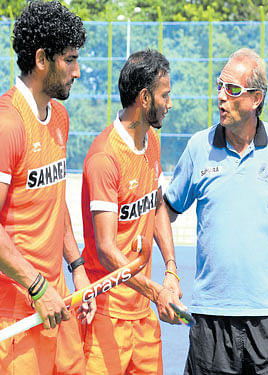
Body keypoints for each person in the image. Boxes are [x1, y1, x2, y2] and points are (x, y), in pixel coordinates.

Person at [164, 48, 268, 374]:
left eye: (232, 89)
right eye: (220, 86)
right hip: (209, 318)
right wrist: (169, 270)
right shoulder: (199, 146)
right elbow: (163, 212)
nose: (222, 97)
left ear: (256, 98)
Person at [0, 1, 95, 374]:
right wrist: (37, 287)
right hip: (17, 308)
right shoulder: (8, 125)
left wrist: (78, 267)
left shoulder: (60, 117)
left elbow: (55, 200)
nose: (77, 70)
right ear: (42, 59)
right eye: (69, 60)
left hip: (57, 298)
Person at [80, 49, 183, 375]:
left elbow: (156, 207)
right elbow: (107, 249)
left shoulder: (151, 140)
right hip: (106, 318)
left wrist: (170, 269)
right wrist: (157, 292)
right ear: (144, 97)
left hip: (143, 318)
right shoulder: (104, 157)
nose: (169, 103)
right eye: (165, 95)